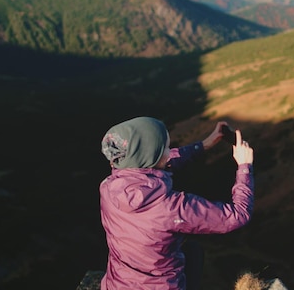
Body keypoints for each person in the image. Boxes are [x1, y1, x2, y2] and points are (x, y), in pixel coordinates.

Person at [99, 116, 254, 290]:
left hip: (116, 286)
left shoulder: (109, 187)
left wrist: (204, 145)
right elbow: (237, 215)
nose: (169, 151)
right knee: (193, 252)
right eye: (165, 148)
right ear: (153, 155)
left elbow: (160, 161)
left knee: (190, 250)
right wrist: (244, 167)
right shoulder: (171, 208)